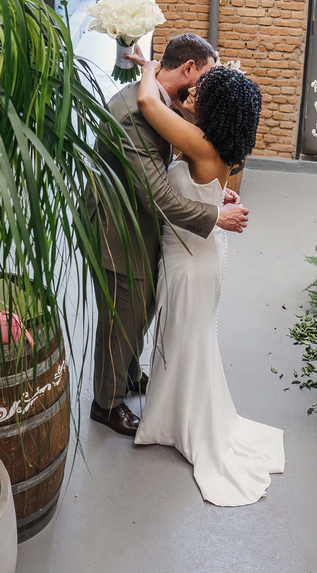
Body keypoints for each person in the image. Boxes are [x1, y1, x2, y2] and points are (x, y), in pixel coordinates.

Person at [126, 46, 286, 507]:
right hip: (201, 252)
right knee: (187, 340)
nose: (192, 91)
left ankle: (175, 423)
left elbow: (149, 105)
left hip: (190, 262)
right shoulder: (215, 141)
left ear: (214, 109)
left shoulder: (200, 145)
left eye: (203, 91)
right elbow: (175, 116)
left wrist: (147, 66)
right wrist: (222, 206)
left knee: (185, 340)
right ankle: (175, 415)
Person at [88, 33, 250, 438]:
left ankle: (126, 376)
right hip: (117, 227)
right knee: (122, 315)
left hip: (142, 221)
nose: (202, 91)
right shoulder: (136, 112)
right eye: (203, 80)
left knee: (139, 309)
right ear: (188, 69)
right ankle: (105, 404)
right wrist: (215, 213)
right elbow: (157, 195)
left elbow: (174, 170)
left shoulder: (162, 101)